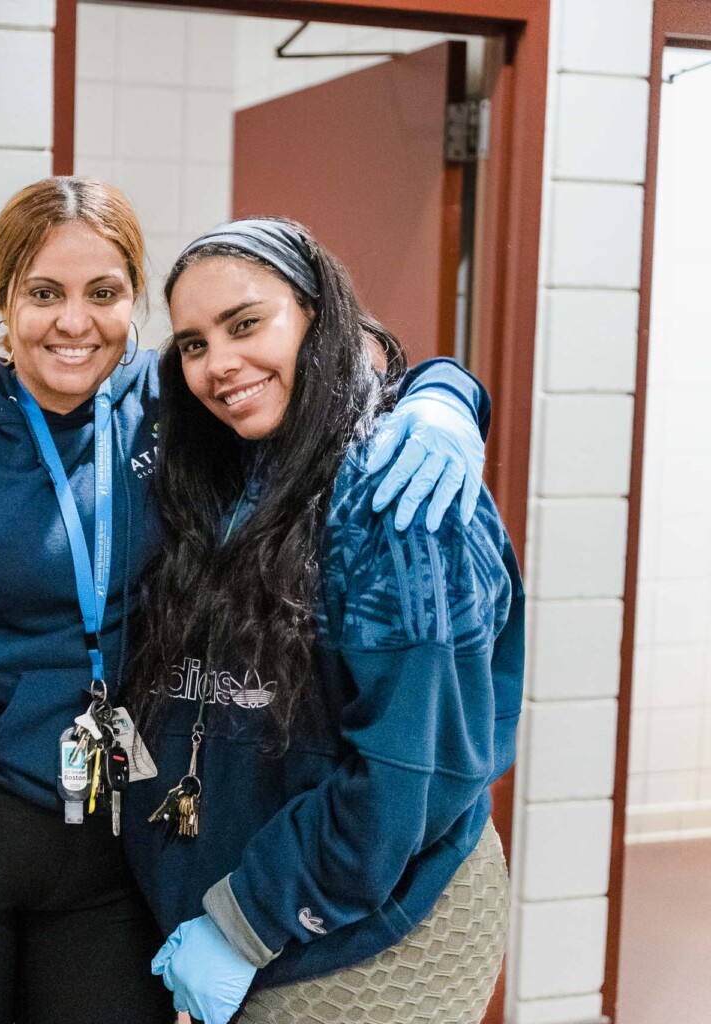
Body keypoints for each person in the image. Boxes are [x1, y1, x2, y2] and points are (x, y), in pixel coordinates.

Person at [0, 179, 490, 1023]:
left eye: (103, 294)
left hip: (108, 826)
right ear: (4, 299)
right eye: (44, 293)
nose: (75, 324)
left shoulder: (177, 405)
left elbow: (319, 360)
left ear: (134, 301)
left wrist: (443, 396)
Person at [122, 218, 522, 1024]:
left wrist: (250, 923)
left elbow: (406, 778)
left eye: (246, 324)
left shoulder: (400, 503)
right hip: (237, 930)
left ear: (319, 317)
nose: (219, 365)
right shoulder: (229, 470)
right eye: (194, 345)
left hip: (366, 943)